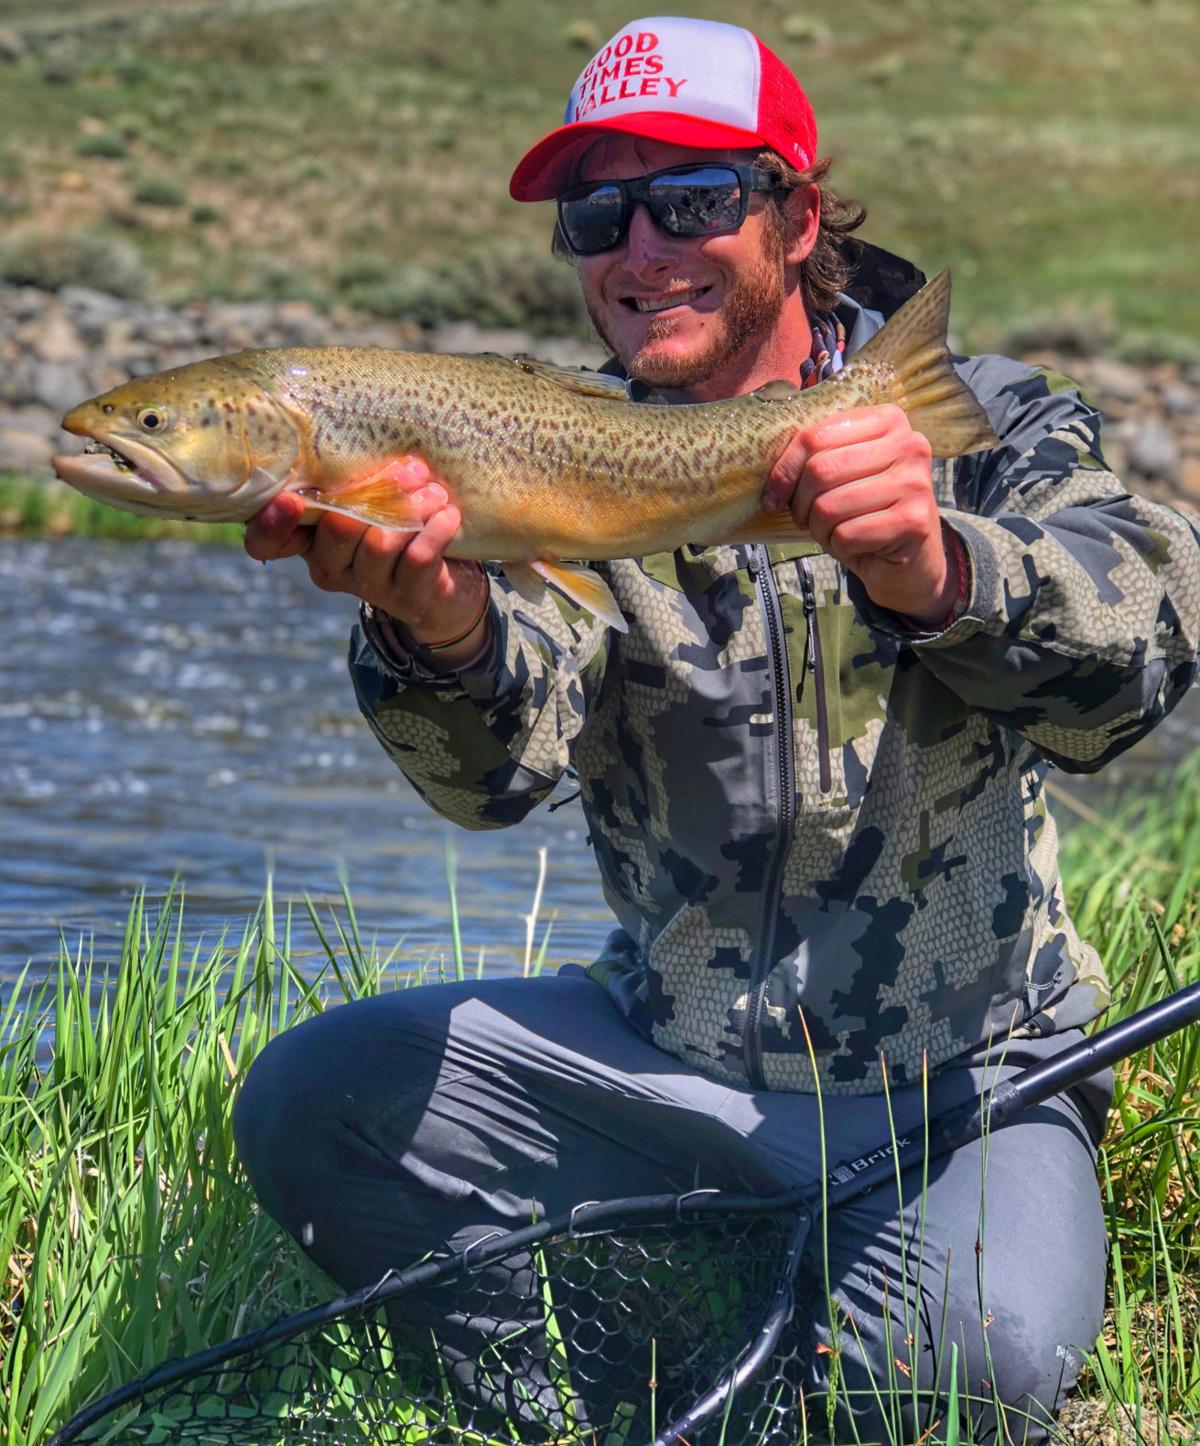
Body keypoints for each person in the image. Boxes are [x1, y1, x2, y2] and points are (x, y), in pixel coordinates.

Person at [232, 16, 1200, 1443]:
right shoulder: (559, 459)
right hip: (660, 1055)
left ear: (799, 218)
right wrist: (436, 631)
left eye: (691, 200)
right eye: (599, 213)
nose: (640, 250)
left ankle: (822, 1318)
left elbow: (1146, 652)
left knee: (969, 1367)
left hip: (963, 1090)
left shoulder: (974, 420)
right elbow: (499, 776)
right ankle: (583, 1398)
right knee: (314, 1102)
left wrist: (945, 573)